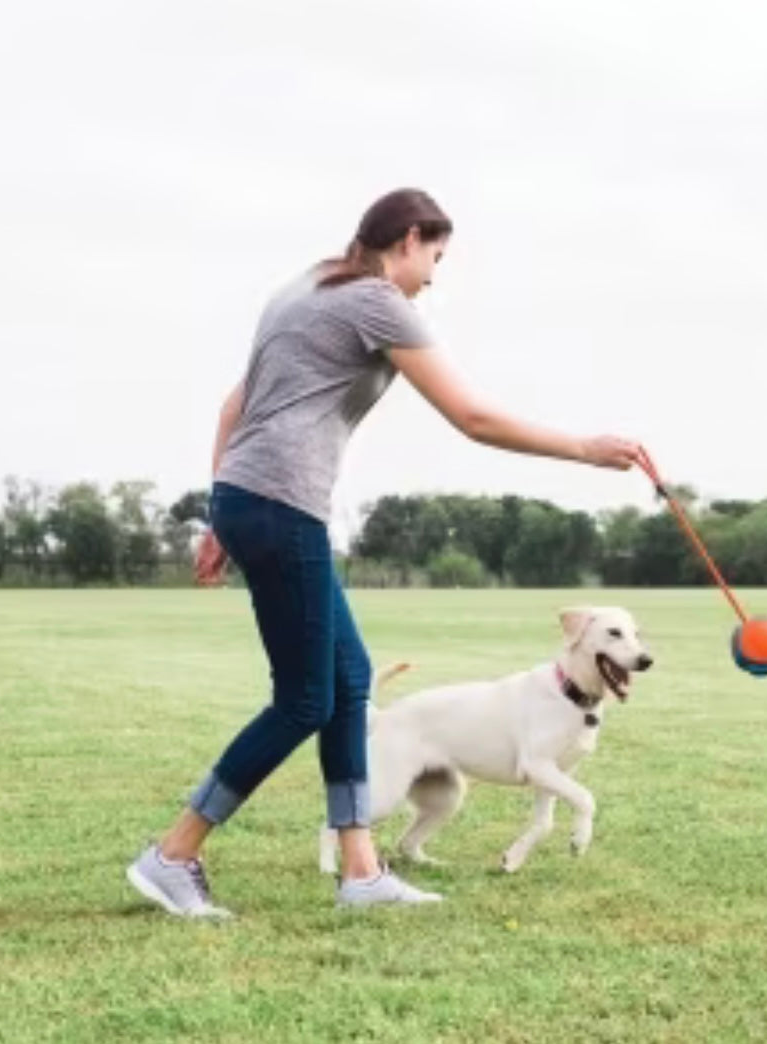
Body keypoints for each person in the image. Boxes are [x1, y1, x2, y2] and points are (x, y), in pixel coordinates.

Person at [126, 188, 644, 917]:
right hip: (280, 502)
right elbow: (471, 416)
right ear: (407, 240)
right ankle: (173, 854)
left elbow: (232, 408)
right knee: (304, 698)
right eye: (435, 256)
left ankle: (362, 872)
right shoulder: (376, 301)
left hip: (250, 497)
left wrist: (221, 511)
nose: (434, 276)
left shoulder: (305, 286)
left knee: (348, 681)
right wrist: (584, 449)